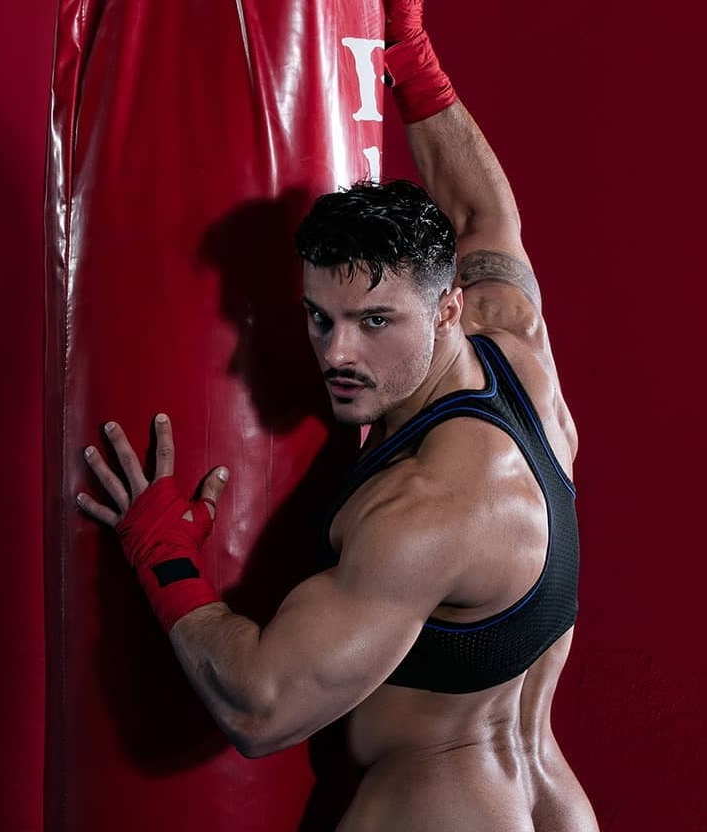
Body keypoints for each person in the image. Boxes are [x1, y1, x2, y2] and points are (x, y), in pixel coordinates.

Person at [77, 1, 599, 829]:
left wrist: (162, 556)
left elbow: (261, 708)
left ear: (446, 310)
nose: (337, 352)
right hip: (545, 800)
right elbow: (482, 216)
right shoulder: (513, 347)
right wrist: (411, 60)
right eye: (320, 318)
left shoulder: (429, 509)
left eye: (374, 321)